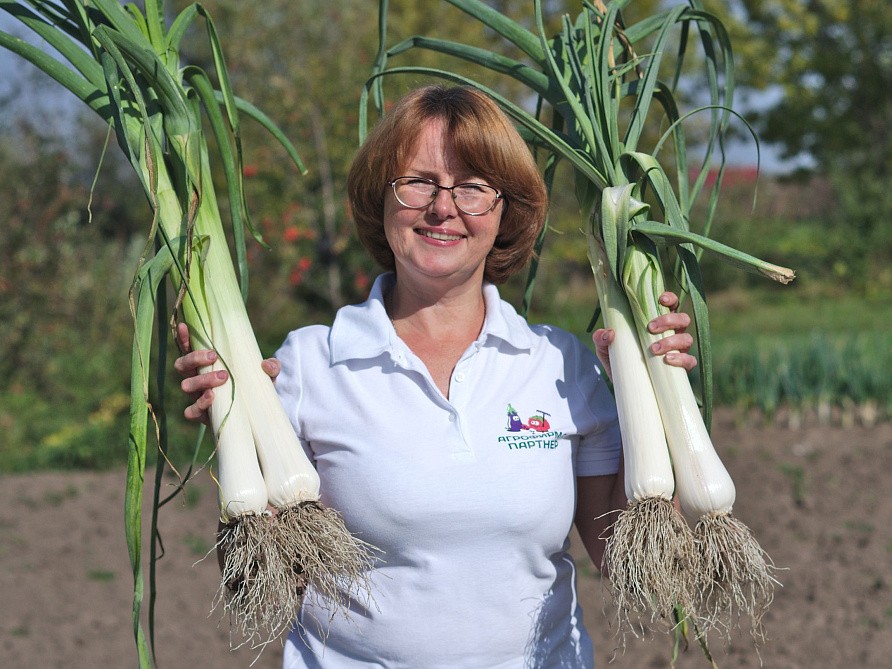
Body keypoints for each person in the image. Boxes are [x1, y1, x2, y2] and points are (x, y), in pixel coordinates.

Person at [175, 85, 696, 669]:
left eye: (473, 187)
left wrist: (651, 390)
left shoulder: (559, 364)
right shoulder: (307, 366)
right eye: (418, 181)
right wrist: (233, 427)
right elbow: (258, 588)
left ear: (506, 213)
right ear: (380, 198)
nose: (443, 207)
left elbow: (636, 569)